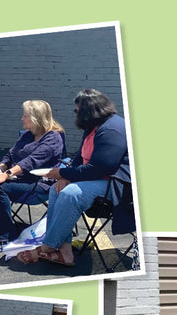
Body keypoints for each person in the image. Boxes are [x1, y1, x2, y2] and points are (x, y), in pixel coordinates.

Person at [17, 89, 132, 267]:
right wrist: (65, 176)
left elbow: (99, 168)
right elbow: (80, 156)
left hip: (116, 183)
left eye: (77, 110)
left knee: (71, 194)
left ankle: (48, 246)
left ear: (89, 111)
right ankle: (65, 252)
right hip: (97, 177)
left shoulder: (111, 129)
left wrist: (63, 173)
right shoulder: (94, 125)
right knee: (58, 189)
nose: (75, 113)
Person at [0, 100, 65, 252]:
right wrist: (0, 169)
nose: (22, 119)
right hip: (19, 179)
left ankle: (5, 236)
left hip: (40, 184)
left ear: (36, 118)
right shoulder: (27, 135)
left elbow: (31, 161)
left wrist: (7, 174)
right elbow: (10, 155)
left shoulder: (53, 138)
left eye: (25, 116)